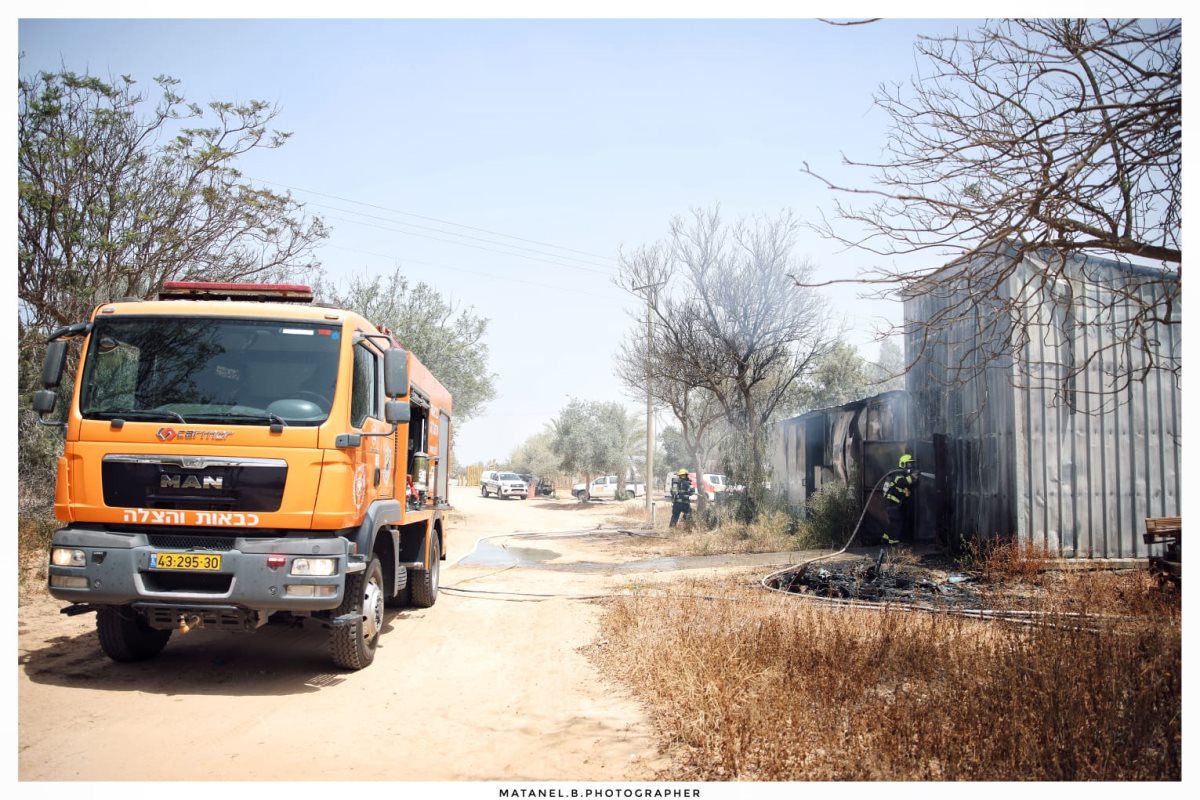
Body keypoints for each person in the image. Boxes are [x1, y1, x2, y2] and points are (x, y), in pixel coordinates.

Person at [882, 453, 919, 544]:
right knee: (897, 522)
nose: (910, 466)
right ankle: (893, 542)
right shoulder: (898, 473)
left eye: (911, 464)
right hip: (893, 502)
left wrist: (916, 479)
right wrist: (912, 477)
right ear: (903, 464)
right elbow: (901, 482)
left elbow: (910, 486)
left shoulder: (903, 474)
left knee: (893, 521)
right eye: (908, 464)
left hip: (895, 503)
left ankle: (885, 538)